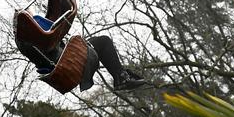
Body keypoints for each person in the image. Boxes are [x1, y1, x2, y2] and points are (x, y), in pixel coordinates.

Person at [17, 35, 147, 93]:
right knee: (104, 42)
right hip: (69, 62)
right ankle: (121, 77)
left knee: (100, 43)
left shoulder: (26, 43)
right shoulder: (34, 37)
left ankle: (121, 75)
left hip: (66, 61)